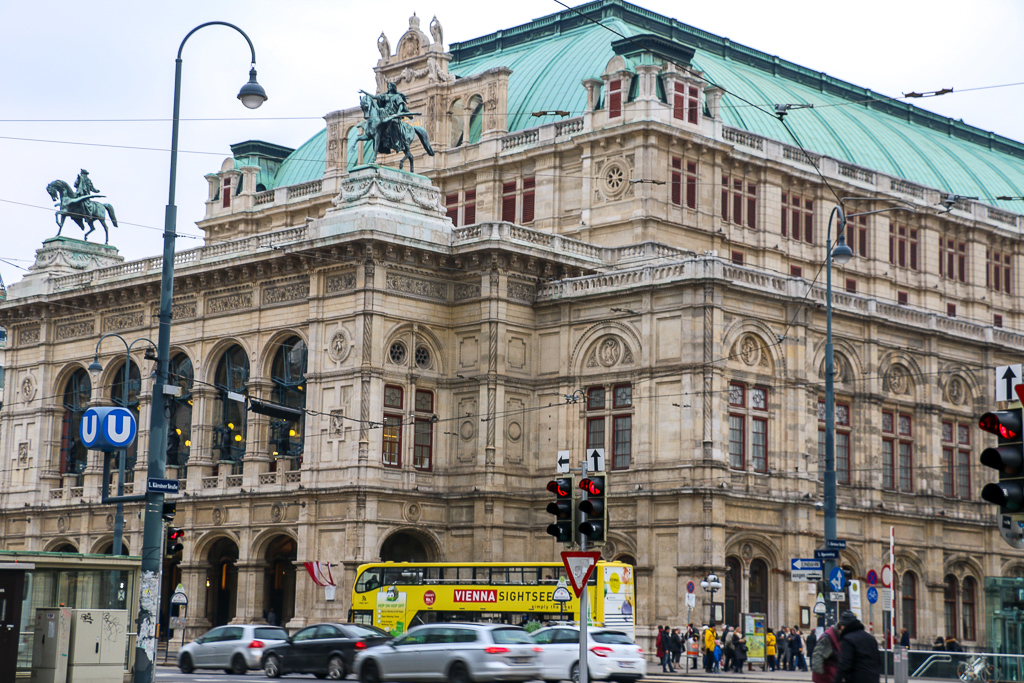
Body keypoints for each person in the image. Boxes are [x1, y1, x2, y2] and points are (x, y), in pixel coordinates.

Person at [836, 610, 881, 683]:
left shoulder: (848, 639)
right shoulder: (871, 638)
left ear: (843, 626)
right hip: (874, 679)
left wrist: (837, 680)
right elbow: (878, 661)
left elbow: (844, 664)